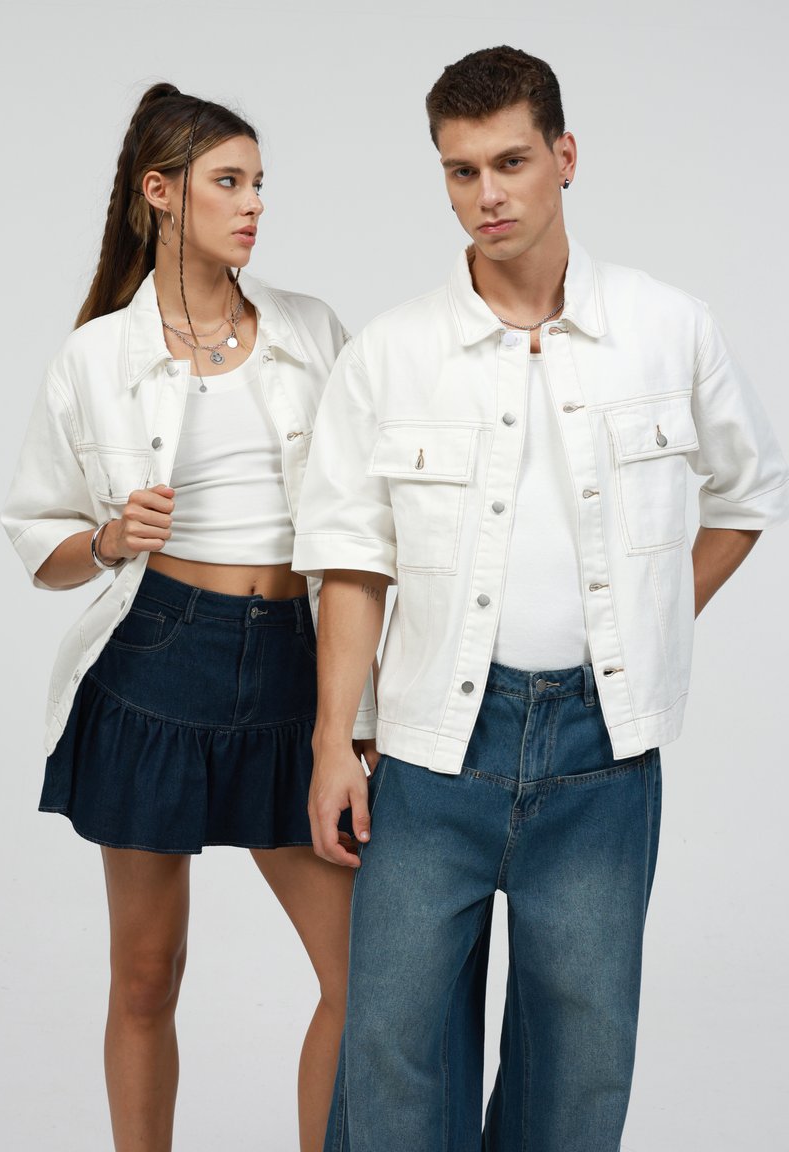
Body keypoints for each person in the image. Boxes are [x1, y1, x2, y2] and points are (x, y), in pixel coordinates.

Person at [292, 45, 789, 1152]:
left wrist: (650, 622)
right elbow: (350, 560)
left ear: (564, 156)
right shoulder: (392, 353)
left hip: (601, 755)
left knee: (578, 1067)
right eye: (461, 171)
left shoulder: (667, 326)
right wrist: (334, 742)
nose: (488, 195)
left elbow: (747, 493)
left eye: (510, 162)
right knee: (391, 1056)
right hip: (430, 750)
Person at [2, 83, 375, 1152]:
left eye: (258, 183)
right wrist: (111, 538)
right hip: (157, 662)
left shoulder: (311, 331)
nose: (254, 204)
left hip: (296, 667)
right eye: (228, 182)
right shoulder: (96, 358)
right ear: (160, 192)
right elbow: (39, 543)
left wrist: (355, 717)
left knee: (362, 976)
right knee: (145, 976)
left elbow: (363, 525)